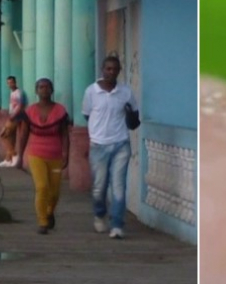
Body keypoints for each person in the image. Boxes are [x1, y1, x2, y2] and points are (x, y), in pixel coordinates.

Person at [82, 55, 138, 239]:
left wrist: (130, 115)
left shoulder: (126, 92)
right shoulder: (91, 92)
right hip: (98, 146)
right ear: (102, 69)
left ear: (119, 71)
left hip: (121, 144)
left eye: (114, 69)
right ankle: (99, 215)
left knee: (118, 186)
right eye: (108, 69)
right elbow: (87, 115)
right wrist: (98, 133)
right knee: (99, 187)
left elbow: (134, 120)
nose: (111, 72)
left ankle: (117, 225)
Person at [18, 78, 71, 235]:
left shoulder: (60, 111)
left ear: (52, 90)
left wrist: (66, 153)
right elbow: (23, 134)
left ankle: (49, 212)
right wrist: (20, 156)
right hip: (36, 154)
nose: (44, 89)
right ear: (36, 91)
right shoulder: (30, 111)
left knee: (54, 192)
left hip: (55, 156)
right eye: (41, 87)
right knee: (42, 187)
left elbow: (64, 134)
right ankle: (42, 221)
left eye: (47, 87)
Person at [0, 76, 28, 167]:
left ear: (15, 82)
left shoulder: (19, 93)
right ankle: (8, 159)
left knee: (3, 135)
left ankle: (14, 155)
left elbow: (21, 105)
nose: (10, 84)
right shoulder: (12, 93)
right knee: (11, 137)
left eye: (11, 82)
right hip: (12, 116)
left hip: (17, 117)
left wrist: (13, 116)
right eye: (8, 83)